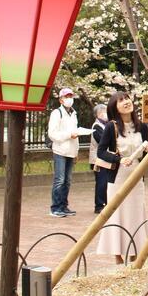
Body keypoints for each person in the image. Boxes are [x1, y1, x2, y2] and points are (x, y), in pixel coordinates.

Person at [95, 92, 148, 263]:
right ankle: (117, 256)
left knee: (136, 213)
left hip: (137, 176)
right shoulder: (111, 127)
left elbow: (144, 152)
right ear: (115, 108)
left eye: (127, 98)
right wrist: (119, 159)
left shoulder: (142, 127)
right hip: (118, 177)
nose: (126, 102)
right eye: (120, 101)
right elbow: (101, 151)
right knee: (117, 214)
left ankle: (136, 253)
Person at [47, 87, 82, 218]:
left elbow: (76, 134)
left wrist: (76, 151)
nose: (69, 99)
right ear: (61, 100)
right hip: (60, 150)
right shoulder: (57, 113)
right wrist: (68, 135)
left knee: (67, 180)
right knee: (59, 180)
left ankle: (63, 206)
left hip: (71, 151)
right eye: (66, 97)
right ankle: (55, 207)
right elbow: (52, 134)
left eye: (71, 96)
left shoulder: (74, 114)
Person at [89, 103, 110, 214]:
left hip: (104, 159)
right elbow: (103, 141)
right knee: (101, 182)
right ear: (97, 115)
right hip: (97, 160)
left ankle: (106, 203)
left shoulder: (106, 125)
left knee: (106, 182)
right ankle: (99, 205)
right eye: (102, 112)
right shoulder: (96, 126)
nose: (105, 113)